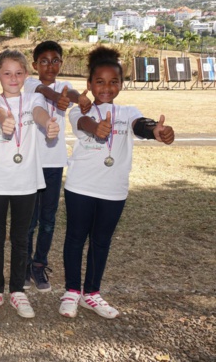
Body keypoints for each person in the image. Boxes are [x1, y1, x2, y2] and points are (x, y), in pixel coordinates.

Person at [59, 46, 175, 319]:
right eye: (100, 81)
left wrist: (155, 131)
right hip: (81, 186)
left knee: (101, 241)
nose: (106, 87)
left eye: (113, 82)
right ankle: (72, 292)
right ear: (89, 84)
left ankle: (92, 294)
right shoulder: (78, 111)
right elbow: (84, 123)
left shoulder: (127, 111)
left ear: (121, 84)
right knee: (75, 238)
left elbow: (140, 125)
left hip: (114, 190)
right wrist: (96, 128)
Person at [0, 50, 59, 318]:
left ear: (26, 75)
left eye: (19, 73)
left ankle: (17, 291)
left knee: (21, 237)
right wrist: (5, 120)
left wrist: (49, 125)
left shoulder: (33, 97)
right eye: (7, 73)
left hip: (26, 182)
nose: (13, 78)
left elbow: (38, 113)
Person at [23, 41, 91, 292]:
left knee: (48, 219)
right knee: (29, 220)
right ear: (34, 65)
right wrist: (59, 98)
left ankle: (39, 264)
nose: (49, 65)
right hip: (32, 163)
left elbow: (70, 95)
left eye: (55, 61)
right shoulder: (29, 84)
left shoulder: (66, 87)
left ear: (61, 63)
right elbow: (44, 91)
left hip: (53, 164)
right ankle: (23, 265)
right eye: (43, 61)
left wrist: (78, 98)